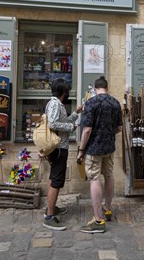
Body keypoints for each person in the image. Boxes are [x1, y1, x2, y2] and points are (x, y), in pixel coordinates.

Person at [77, 76, 122, 233]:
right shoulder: (115, 103)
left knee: (94, 179)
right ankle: (108, 210)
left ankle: (98, 219)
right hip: (109, 147)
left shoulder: (91, 103)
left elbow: (87, 129)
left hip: (94, 149)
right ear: (106, 87)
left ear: (95, 89)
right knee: (109, 176)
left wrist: (81, 149)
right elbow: (119, 128)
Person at [42, 78, 82, 231]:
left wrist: (76, 113)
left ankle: (51, 208)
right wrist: (71, 126)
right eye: (67, 91)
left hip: (59, 146)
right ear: (64, 92)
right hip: (58, 147)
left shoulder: (56, 104)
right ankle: (50, 217)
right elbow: (53, 124)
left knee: (54, 178)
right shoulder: (54, 104)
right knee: (56, 180)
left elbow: (61, 121)